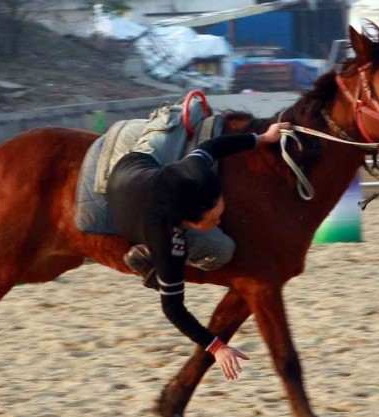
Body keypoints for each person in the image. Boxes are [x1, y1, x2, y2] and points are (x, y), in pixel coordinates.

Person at [106, 122, 292, 381]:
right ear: (189, 223)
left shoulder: (193, 168)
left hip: (137, 162)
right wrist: (217, 347)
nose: (219, 222)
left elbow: (211, 146)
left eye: (220, 212)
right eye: (212, 221)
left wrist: (262, 138)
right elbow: (172, 308)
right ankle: (145, 259)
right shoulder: (166, 238)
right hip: (132, 201)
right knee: (221, 249)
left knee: (173, 127)